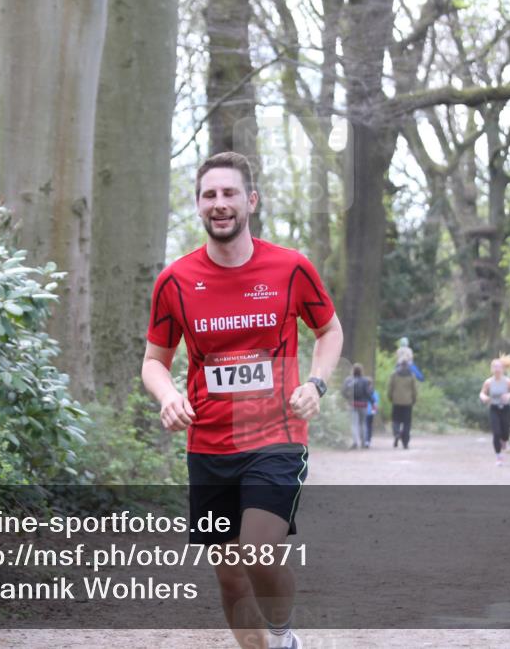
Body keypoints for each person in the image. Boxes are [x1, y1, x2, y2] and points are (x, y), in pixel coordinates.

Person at [142, 151, 344, 649]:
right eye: (209, 195)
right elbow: (154, 360)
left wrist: (314, 384)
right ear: (198, 206)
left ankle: (283, 634)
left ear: (250, 200)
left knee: (257, 553)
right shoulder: (175, 282)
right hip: (209, 446)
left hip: (276, 437)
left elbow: (330, 330)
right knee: (230, 577)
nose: (220, 204)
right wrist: (168, 395)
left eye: (230, 193)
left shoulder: (291, 269)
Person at [479, 354, 510, 466]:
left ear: (502, 369)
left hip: (506, 409)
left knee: (505, 433)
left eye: (499, 367)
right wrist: (484, 397)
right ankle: (498, 457)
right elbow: (482, 393)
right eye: (495, 367)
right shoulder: (488, 382)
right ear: (492, 369)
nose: (497, 369)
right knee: (496, 433)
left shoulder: (507, 381)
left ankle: (504, 440)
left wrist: (509, 395)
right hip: (494, 408)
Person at [387, 358, 417, 449]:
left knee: (396, 420)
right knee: (407, 423)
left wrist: (390, 397)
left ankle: (397, 433)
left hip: (396, 401)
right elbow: (414, 390)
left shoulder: (394, 375)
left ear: (399, 365)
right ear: (407, 365)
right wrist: (414, 399)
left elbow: (390, 388)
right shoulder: (411, 375)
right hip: (408, 402)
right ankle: (405, 442)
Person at [342, 364, 373, 449]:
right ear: (361, 371)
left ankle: (355, 442)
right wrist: (373, 402)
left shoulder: (348, 380)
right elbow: (368, 393)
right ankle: (363, 442)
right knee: (363, 423)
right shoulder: (365, 381)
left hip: (352, 405)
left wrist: (348, 398)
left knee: (354, 424)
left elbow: (343, 391)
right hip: (363, 405)